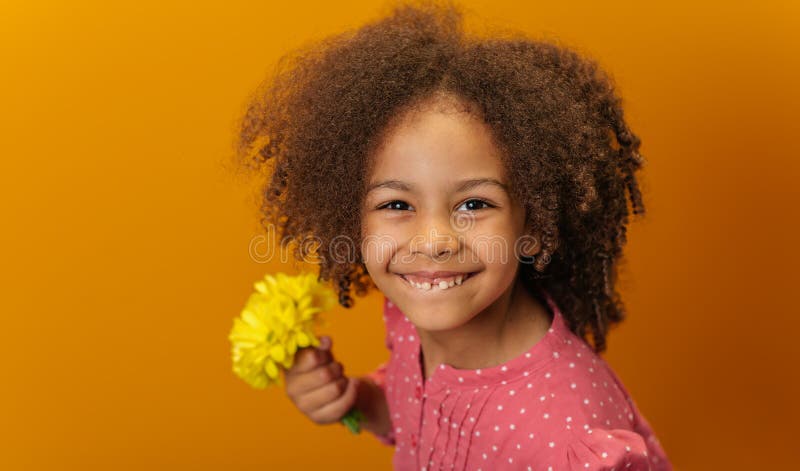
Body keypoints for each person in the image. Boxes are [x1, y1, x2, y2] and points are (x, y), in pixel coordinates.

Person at [233, 1, 673, 469]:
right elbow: (426, 422)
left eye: (474, 204)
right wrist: (356, 399)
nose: (434, 240)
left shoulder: (567, 439)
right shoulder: (412, 318)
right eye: (397, 205)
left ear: (534, 225)